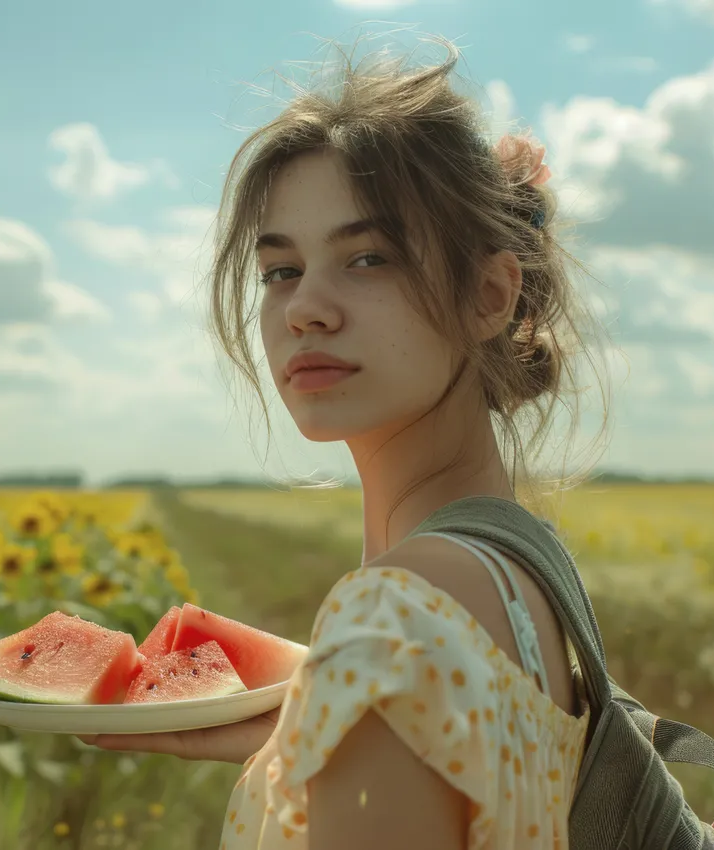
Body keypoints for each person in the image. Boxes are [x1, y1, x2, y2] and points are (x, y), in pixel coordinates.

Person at [81, 33, 610, 849]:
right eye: (280, 271)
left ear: (491, 295)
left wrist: (361, 671)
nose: (304, 309)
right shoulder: (518, 571)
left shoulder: (398, 611)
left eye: (367, 258)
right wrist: (315, 708)